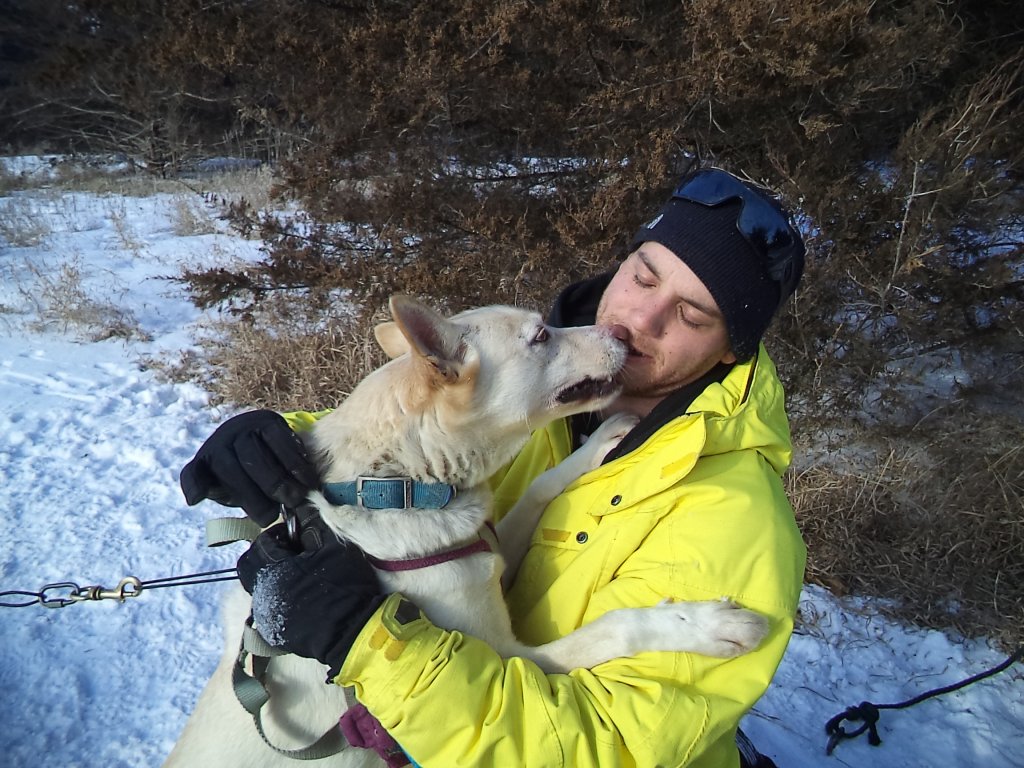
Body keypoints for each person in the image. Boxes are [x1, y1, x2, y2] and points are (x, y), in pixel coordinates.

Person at [180, 167, 807, 768]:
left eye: (692, 315)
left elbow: (592, 749)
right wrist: (281, 442)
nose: (639, 320)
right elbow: (402, 433)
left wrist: (367, 645)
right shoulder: (519, 408)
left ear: (733, 349)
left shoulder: (737, 521)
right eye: (642, 277)